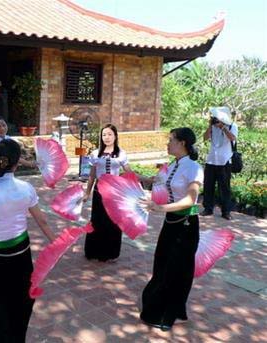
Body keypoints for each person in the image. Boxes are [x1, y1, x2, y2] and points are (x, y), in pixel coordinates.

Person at [0, 138, 56, 343]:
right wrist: (56, 242)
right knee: (21, 300)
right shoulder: (26, 188)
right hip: (22, 254)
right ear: (16, 164)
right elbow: (42, 221)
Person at [140, 127, 203, 332]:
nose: (168, 143)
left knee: (176, 270)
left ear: (182, 143)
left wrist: (161, 207)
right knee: (161, 263)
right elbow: (166, 189)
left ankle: (169, 312)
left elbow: (190, 200)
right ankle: (161, 306)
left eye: (171, 140)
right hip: (170, 222)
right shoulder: (175, 165)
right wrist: (146, 188)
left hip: (186, 226)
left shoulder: (194, 168)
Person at [82, 124, 147, 262]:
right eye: (104, 134)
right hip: (99, 191)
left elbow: (129, 172)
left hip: (115, 193)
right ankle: (93, 251)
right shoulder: (95, 154)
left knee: (113, 221)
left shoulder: (121, 154)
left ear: (115, 136)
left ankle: (110, 253)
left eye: (110, 134)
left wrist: (146, 178)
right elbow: (92, 176)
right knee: (97, 220)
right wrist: (87, 193)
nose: (107, 137)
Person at [201, 107, 238, 220]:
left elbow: (233, 138)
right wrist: (210, 126)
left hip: (225, 161)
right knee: (208, 186)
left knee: (224, 188)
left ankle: (226, 211)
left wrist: (223, 128)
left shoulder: (232, 126)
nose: (215, 119)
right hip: (211, 160)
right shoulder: (212, 126)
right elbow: (205, 138)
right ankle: (208, 208)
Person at [0, 116, 37, 183]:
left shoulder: (9, 139)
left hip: (9, 174)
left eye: (3, 125)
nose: (2, 128)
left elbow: (16, 157)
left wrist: (30, 164)